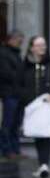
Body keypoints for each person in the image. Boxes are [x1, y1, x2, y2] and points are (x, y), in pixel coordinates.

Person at [19, 36, 50, 177]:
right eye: (38, 45)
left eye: (43, 45)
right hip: (31, 105)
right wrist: (26, 98)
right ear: (31, 47)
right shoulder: (24, 65)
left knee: (45, 135)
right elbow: (18, 84)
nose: (41, 47)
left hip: (47, 104)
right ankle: (42, 164)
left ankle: (44, 164)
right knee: (37, 134)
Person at [0, 30, 25, 160]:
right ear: (11, 39)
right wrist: (21, 77)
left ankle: (16, 149)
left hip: (18, 94)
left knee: (16, 123)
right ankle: (6, 150)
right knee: (8, 123)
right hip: (9, 93)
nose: (21, 43)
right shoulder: (3, 53)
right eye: (19, 40)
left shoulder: (16, 54)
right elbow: (5, 73)